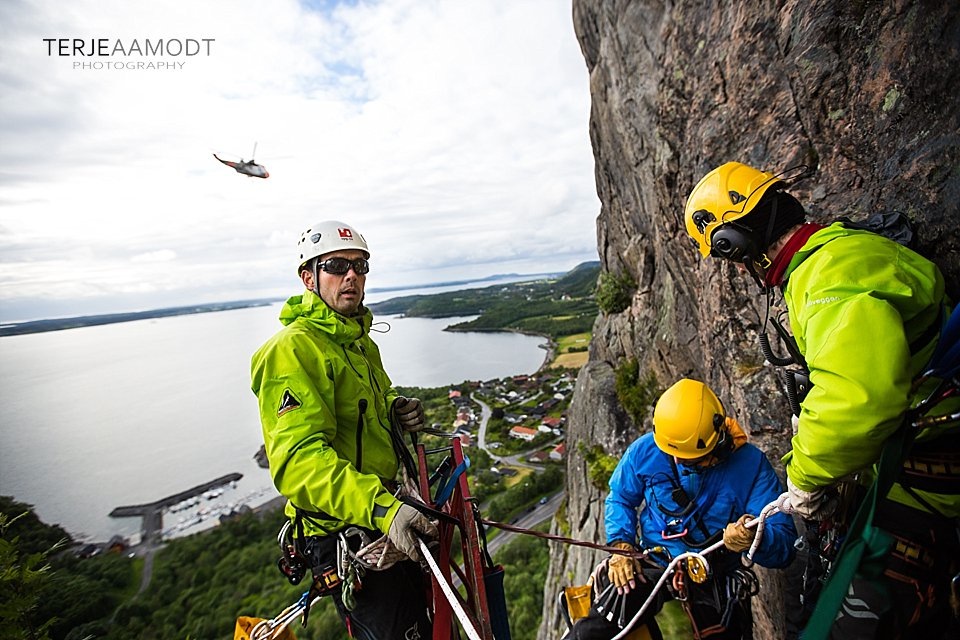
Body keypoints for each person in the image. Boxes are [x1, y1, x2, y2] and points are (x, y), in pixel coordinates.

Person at [683, 161, 959, 638]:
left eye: (730, 257)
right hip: (910, 461)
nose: (740, 269)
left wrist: (805, 477)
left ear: (734, 243)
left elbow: (858, 398)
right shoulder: (833, 254)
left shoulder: (825, 276)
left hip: (922, 476)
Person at [251, 220, 437, 640]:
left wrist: (394, 408)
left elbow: (365, 406)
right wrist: (382, 509)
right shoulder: (292, 350)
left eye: (360, 266)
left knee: (430, 625)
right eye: (337, 266)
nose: (351, 275)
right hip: (349, 532)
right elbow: (299, 463)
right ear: (309, 278)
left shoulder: (359, 343)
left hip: (385, 515)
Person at [563, 378, 797, 640]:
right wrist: (622, 546)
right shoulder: (647, 450)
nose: (675, 460)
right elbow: (620, 498)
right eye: (670, 452)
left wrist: (754, 537)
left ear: (717, 442)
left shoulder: (750, 467)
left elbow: (784, 547)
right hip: (655, 562)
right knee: (591, 630)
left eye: (688, 458)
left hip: (713, 575)